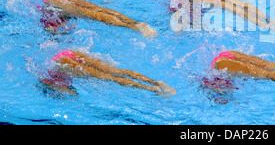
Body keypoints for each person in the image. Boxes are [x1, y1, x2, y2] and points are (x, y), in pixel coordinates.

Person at [40, 50, 176, 97]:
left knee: (109, 77)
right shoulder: (45, 76)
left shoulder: (48, 83)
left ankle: (152, 88)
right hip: (65, 54)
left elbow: (72, 93)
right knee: (117, 71)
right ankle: (155, 82)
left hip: (64, 64)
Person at [40, 0, 158, 37]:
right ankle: (136, 24)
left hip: (56, 6)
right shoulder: (51, 24)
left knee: (94, 15)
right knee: (98, 9)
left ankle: (134, 26)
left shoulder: (50, 28)